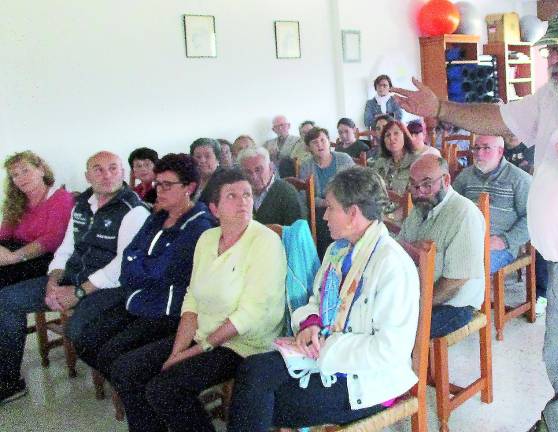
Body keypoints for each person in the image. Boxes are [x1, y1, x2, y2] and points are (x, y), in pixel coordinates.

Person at [393, 4, 558, 431]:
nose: (555, 59)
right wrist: (440, 107)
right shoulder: (554, 94)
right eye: (550, 50)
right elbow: (500, 117)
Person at [227, 166, 419, 431]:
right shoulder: (337, 250)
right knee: (252, 370)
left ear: (353, 213)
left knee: (266, 401)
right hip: (323, 354)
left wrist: (325, 346)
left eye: (330, 207)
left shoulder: (392, 265)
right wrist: (311, 324)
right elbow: (317, 300)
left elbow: (389, 350)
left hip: (367, 379)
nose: (324, 215)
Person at [110, 169, 287, 432]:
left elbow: (251, 314)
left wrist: (195, 350)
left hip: (244, 344)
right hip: (205, 333)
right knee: (127, 369)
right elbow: (192, 299)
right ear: (214, 208)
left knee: (165, 388)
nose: (243, 202)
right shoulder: (207, 239)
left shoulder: (265, 241)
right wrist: (177, 351)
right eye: (232, 196)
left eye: (247, 195)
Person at [0, 151, 150, 405]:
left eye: (113, 168)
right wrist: (53, 280)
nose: (106, 175)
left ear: (123, 172)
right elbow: (66, 248)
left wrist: (78, 292)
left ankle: (130, 383)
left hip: (105, 288)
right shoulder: (82, 205)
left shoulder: (133, 211)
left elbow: (121, 267)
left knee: (78, 331)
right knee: (6, 300)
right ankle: (9, 381)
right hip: (70, 279)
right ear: (87, 176)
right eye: (98, 169)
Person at [72, 154, 215, 387]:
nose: (159, 190)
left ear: (189, 187)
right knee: (85, 340)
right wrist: (141, 266)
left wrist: (139, 265)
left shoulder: (199, 225)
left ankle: (142, 390)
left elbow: (161, 271)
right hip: (139, 300)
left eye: (167, 185)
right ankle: (137, 388)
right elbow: (127, 264)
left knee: (113, 356)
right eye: (158, 183)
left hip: (167, 313)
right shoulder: (158, 217)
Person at [397, 155, 485, 338]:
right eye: (413, 185)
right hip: (418, 291)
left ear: (446, 180)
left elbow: (455, 282)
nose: (419, 192)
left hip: (454, 304)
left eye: (427, 184)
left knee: (398, 335)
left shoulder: (464, 213)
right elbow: (401, 248)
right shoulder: (421, 207)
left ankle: (415, 366)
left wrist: (419, 305)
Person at [453, 135, 531, 273]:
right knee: (437, 262)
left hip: (499, 246)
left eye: (486, 148)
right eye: (476, 148)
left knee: (470, 268)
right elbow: (451, 205)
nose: (479, 153)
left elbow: (532, 219)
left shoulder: (519, 179)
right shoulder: (465, 176)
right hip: (465, 238)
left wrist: (504, 240)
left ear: (500, 151)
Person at [0, 151, 74, 288]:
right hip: (15, 250)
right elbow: (4, 233)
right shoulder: (15, 201)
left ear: (41, 170)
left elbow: (53, 239)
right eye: (15, 175)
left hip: (43, 257)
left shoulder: (61, 198)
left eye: (25, 171)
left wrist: (13, 257)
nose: (21, 178)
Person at [299, 127, 355, 255]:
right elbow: (305, 197)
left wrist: (339, 203)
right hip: (320, 210)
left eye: (322, 140)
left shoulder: (344, 159)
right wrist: (326, 203)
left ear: (329, 141)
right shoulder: (306, 166)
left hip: (345, 205)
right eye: (314, 142)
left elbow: (356, 186)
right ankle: (327, 259)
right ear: (308, 148)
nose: (320, 145)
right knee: (322, 220)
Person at [238, 146, 304, 226]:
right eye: (247, 172)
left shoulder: (287, 193)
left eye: (258, 170)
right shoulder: (240, 194)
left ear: (271, 168)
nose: (253, 176)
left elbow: (298, 233)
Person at [372, 120, 419, 194]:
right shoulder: (380, 163)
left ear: (404, 136)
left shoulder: (416, 162)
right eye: (387, 135)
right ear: (384, 141)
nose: (391, 138)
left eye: (396, 133)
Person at [190, 137, 222, 204]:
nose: (202, 160)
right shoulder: (188, 181)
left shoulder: (225, 182)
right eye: (198, 157)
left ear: (217, 159)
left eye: (207, 156)